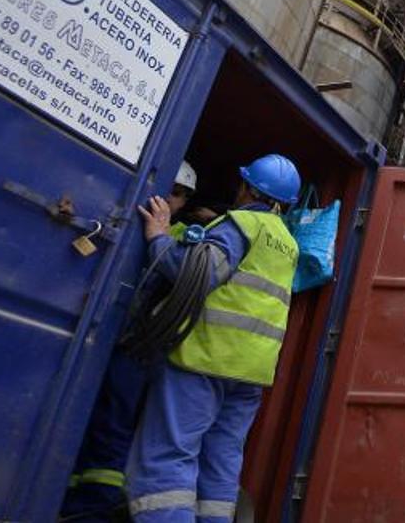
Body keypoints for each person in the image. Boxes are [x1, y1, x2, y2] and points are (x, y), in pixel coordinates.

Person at [122, 154, 300, 522]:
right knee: (221, 459)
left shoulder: (240, 224)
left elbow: (195, 274)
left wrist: (158, 236)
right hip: (250, 372)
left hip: (204, 358)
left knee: (168, 454)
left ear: (249, 188)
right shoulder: (288, 243)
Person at [61, 161, 200, 522]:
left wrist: (161, 236)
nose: (170, 199)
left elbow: (177, 279)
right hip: (106, 334)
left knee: (113, 424)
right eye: (171, 190)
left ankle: (92, 506)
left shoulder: (184, 238)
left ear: (185, 200)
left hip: (137, 346)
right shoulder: (134, 223)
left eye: (178, 195)